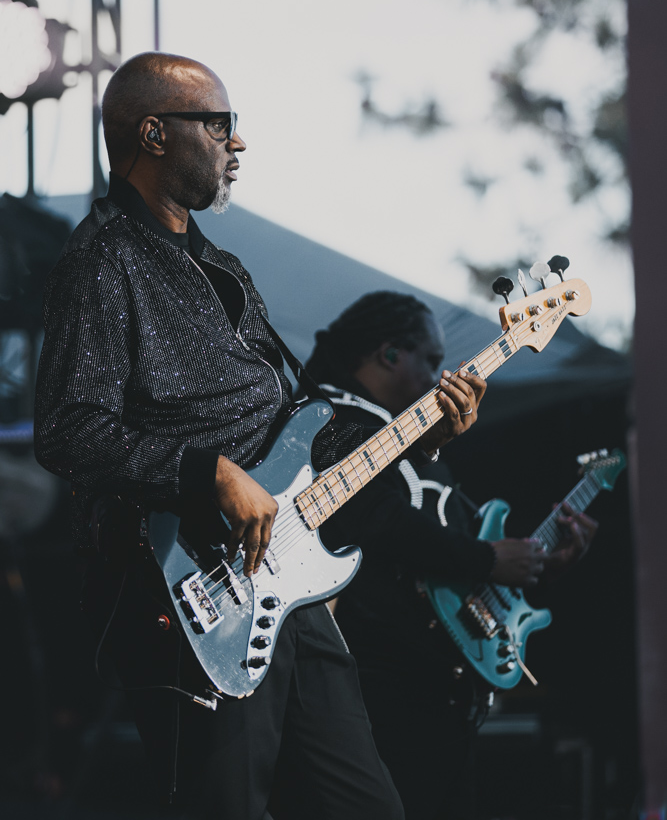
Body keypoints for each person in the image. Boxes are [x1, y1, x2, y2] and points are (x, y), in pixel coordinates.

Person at [33, 52, 487, 820]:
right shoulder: (102, 260)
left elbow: (299, 430)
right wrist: (205, 471)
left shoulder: (225, 269)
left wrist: (422, 435)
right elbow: (68, 431)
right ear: (152, 134)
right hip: (189, 592)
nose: (235, 144)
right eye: (219, 124)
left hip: (290, 591)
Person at [307, 291, 598, 820]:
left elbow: (447, 543)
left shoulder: (408, 441)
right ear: (390, 353)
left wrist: (538, 562)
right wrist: (486, 559)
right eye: (432, 360)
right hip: (382, 686)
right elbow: (380, 518)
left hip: (440, 689)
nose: (440, 376)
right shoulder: (334, 419)